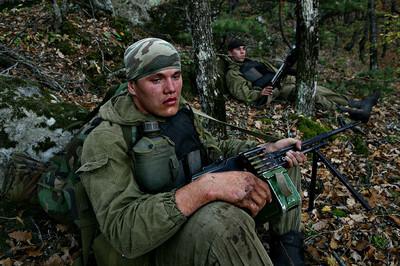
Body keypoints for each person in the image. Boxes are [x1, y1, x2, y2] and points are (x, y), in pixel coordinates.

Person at [77, 37, 307, 266]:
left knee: (279, 165)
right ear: (132, 86)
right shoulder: (106, 139)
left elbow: (214, 149)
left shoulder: (179, 112)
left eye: (175, 76)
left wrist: (264, 150)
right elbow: (124, 233)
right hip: (147, 248)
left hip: (193, 214)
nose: (171, 88)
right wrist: (206, 188)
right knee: (225, 224)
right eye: (156, 79)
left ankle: (289, 257)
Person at [225, 38, 379, 112]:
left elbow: (273, 71)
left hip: (281, 81)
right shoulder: (233, 72)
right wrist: (260, 93)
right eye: (238, 49)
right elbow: (241, 93)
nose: (243, 51)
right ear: (230, 53)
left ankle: (354, 103)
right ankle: (345, 111)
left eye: (244, 48)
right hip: (274, 91)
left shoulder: (254, 61)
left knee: (316, 88)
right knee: (303, 92)